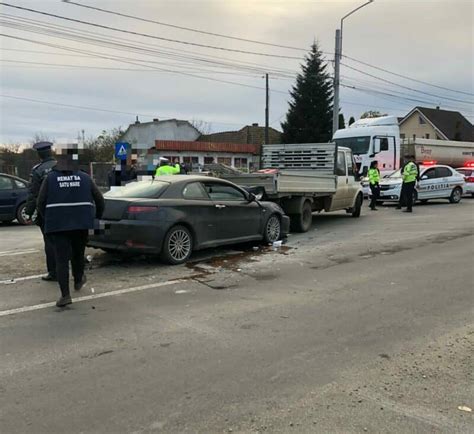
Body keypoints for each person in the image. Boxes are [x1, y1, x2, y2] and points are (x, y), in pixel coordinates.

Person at [37, 150, 104, 307]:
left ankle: (65, 296)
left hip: (58, 226)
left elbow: (41, 202)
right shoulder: (85, 177)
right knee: (78, 254)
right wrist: (96, 218)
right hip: (81, 224)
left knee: (61, 260)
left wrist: (48, 218)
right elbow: (100, 200)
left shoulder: (50, 178)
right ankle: (79, 279)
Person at [25, 141, 57, 281]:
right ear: (51, 152)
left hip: (47, 212)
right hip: (66, 210)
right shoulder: (63, 166)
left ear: (39, 154)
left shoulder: (38, 170)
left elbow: (33, 194)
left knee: (50, 242)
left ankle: (54, 272)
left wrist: (29, 212)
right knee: (67, 241)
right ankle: (75, 271)